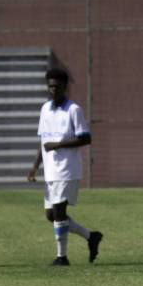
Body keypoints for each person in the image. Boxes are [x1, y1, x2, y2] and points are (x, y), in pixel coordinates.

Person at [27, 68, 102, 266]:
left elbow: (86, 138)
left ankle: (62, 257)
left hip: (67, 169)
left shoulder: (73, 110)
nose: (53, 90)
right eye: (50, 86)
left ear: (65, 87)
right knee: (51, 215)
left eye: (57, 87)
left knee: (59, 212)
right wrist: (35, 167)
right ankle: (90, 236)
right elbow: (43, 140)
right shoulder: (45, 109)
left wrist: (59, 144)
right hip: (50, 170)